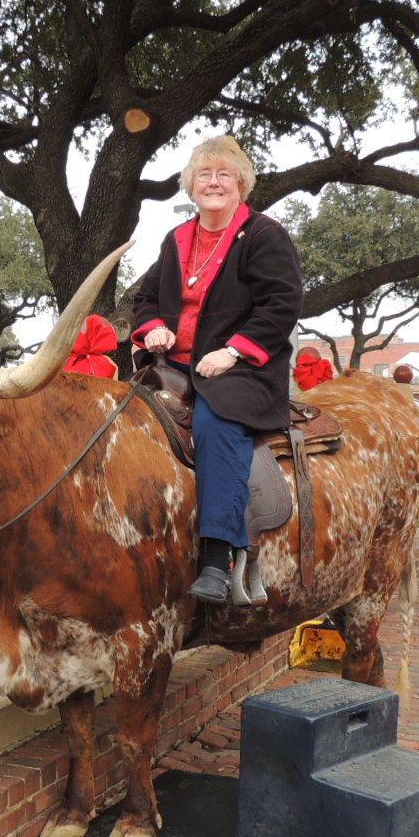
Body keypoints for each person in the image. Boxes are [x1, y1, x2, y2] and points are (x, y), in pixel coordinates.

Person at [132, 135, 303, 604]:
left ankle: (215, 557)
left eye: (224, 174)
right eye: (204, 175)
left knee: (214, 423)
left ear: (241, 184)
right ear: (191, 186)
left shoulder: (264, 235)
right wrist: (153, 327)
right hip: (174, 364)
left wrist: (233, 351)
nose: (213, 182)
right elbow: (145, 298)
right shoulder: (176, 239)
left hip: (242, 370)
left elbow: (282, 303)